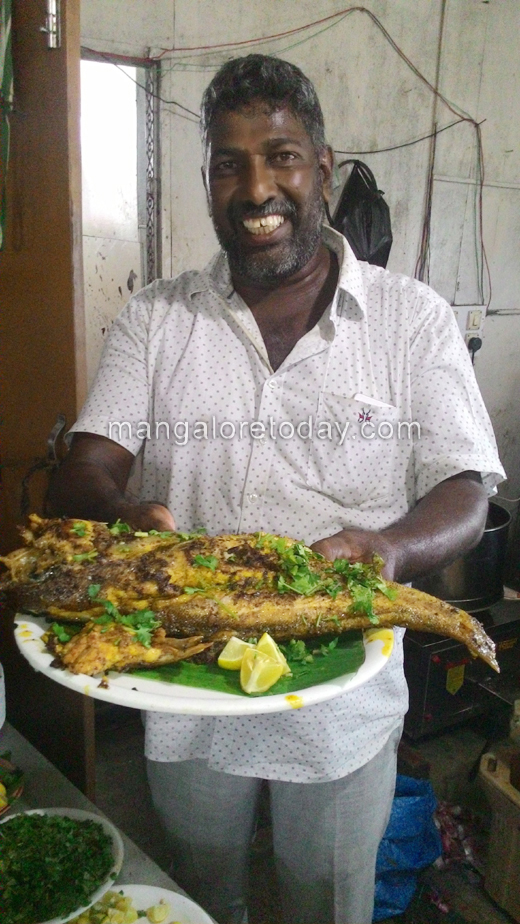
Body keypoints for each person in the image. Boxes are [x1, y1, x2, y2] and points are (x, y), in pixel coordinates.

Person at [48, 54, 505, 924]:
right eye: (230, 163)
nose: (256, 188)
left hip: (341, 705)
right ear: (208, 180)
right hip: (187, 696)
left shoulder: (411, 321)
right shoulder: (156, 317)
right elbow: (89, 468)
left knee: (327, 900)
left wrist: (389, 548)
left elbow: (464, 488)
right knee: (201, 890)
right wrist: (124, 514)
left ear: (322, 169)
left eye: (282, 156)